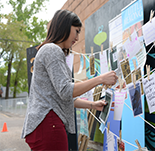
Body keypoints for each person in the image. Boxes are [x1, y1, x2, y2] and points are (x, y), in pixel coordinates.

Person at [21, 9, 118, 151]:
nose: (77, 38)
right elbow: (66, 91)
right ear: (65, 26)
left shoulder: (50, 51)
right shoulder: (52, 50)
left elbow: (60, 98)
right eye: (77, 31)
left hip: (45, 125)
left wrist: (92, 105)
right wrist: (101, 79)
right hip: (48, 124)